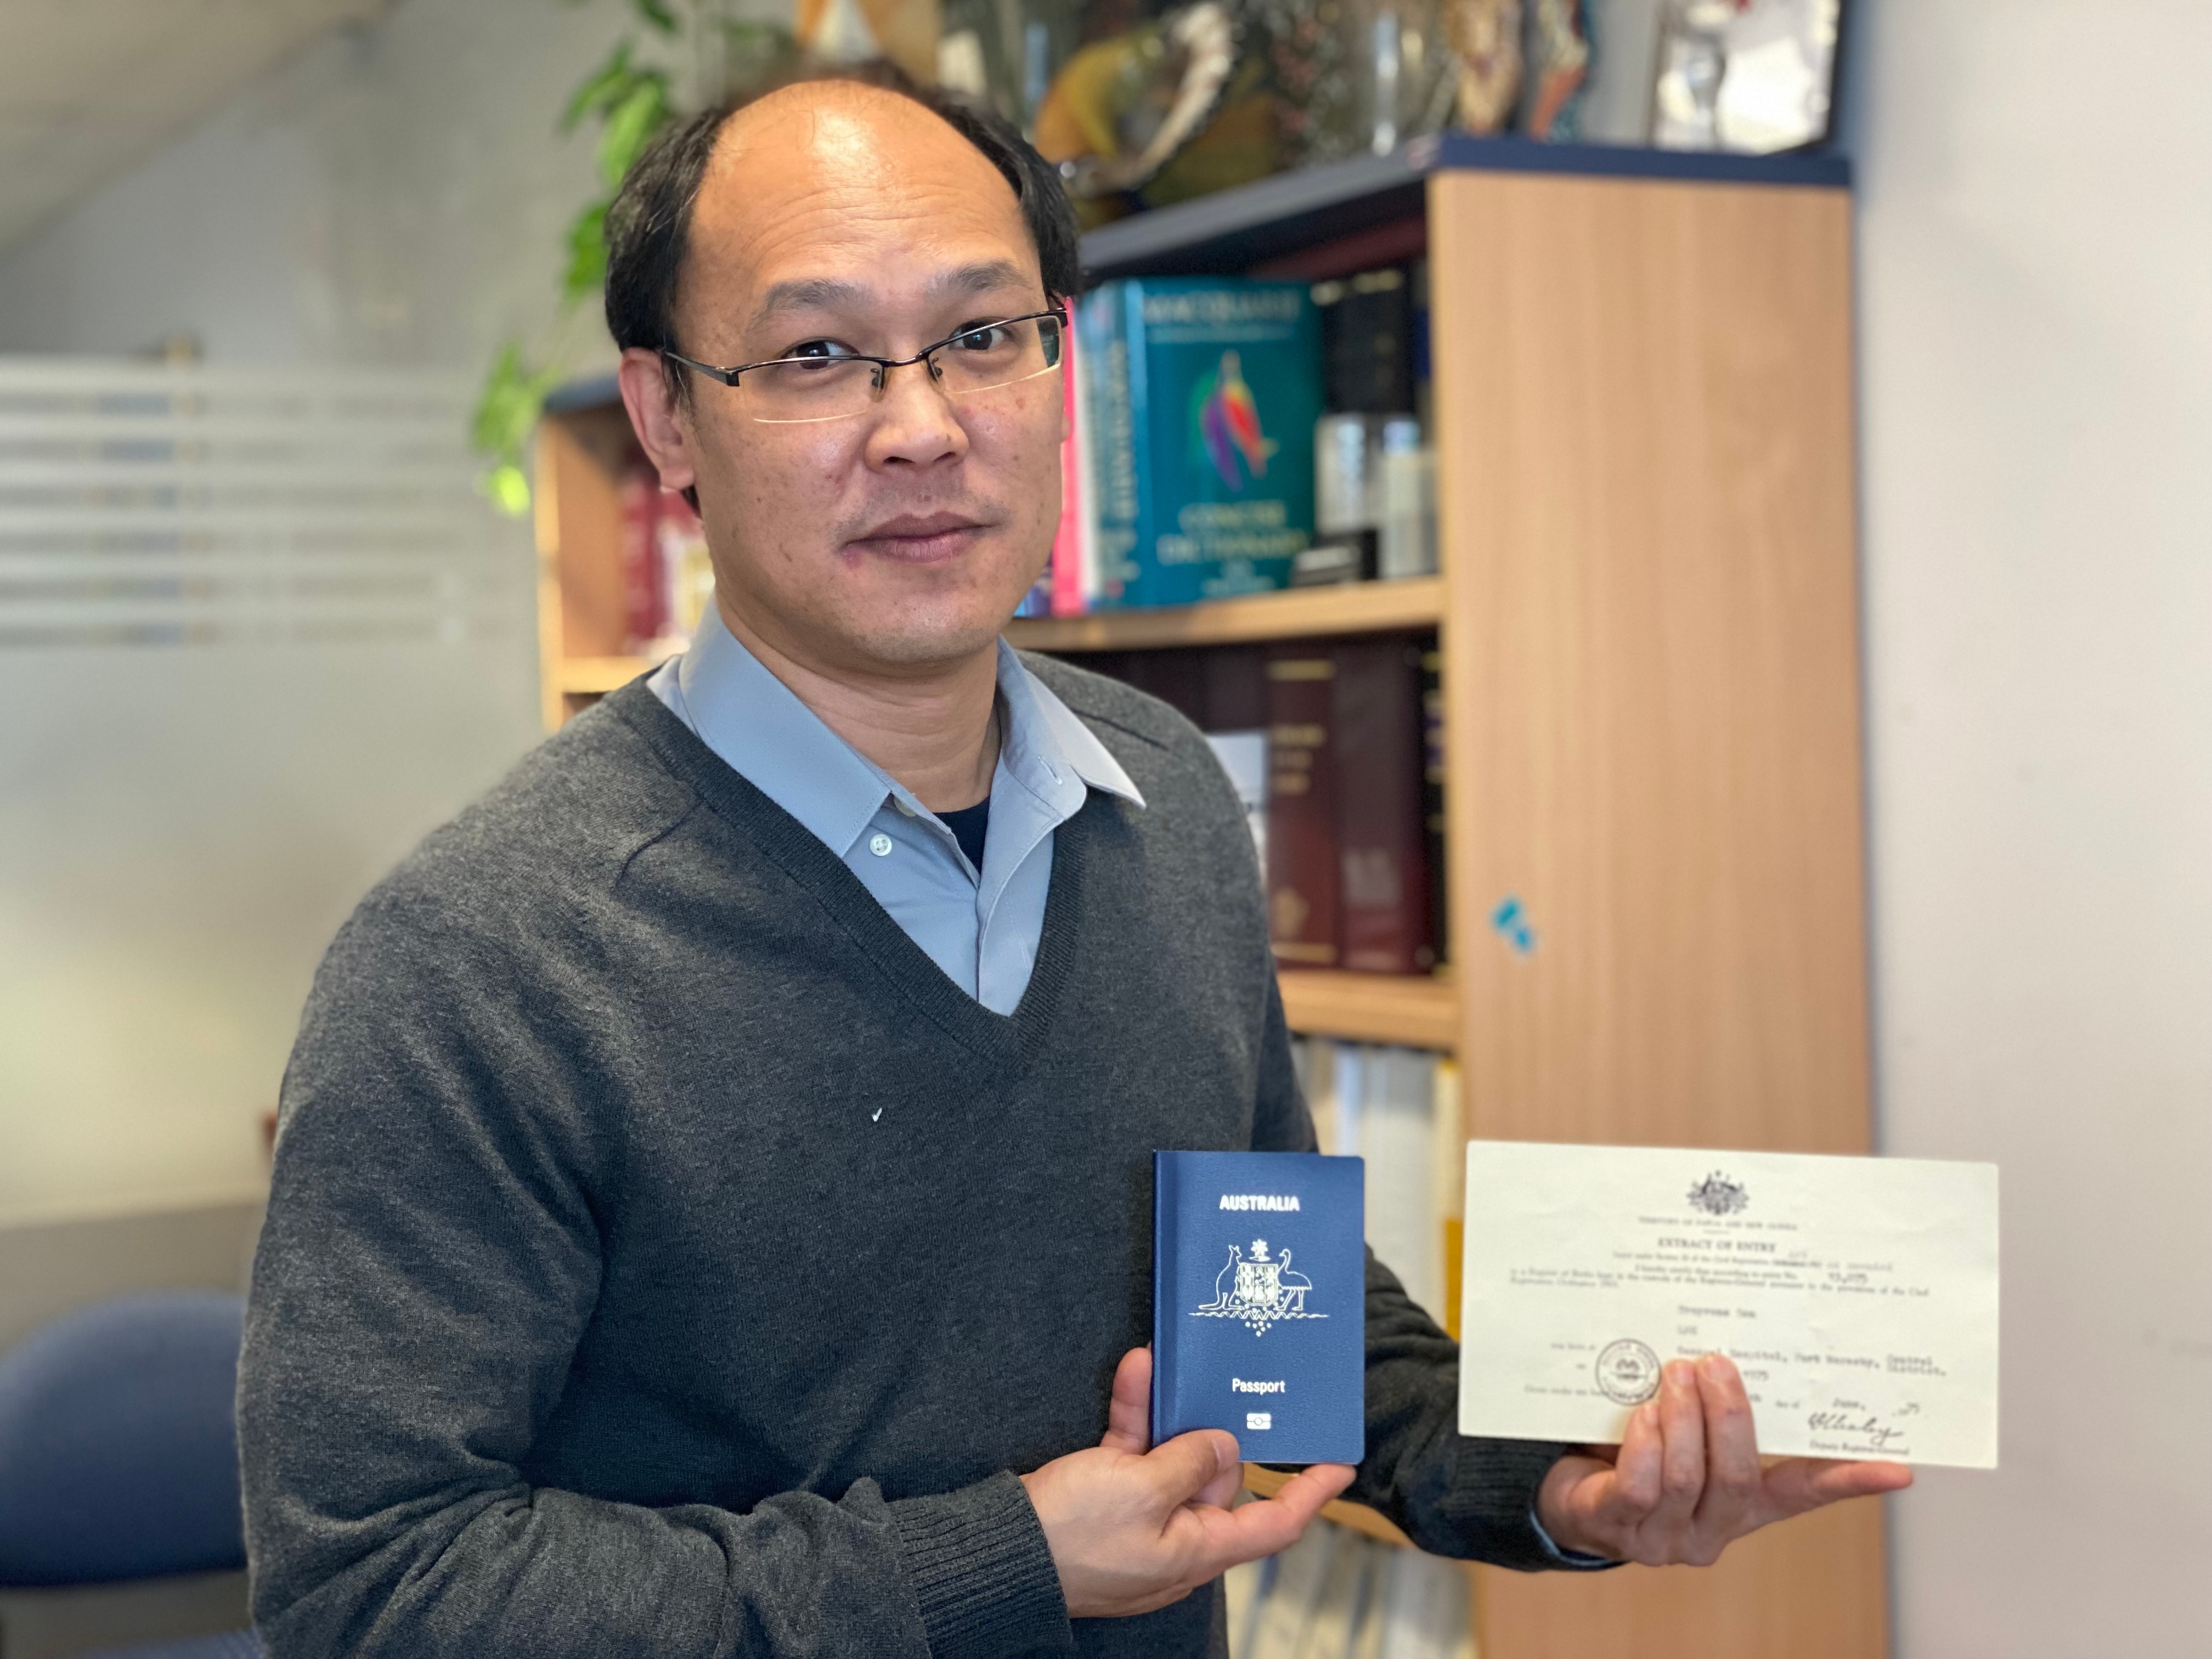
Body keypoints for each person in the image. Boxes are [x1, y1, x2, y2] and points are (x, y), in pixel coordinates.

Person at [237, 74, 1909, 1659]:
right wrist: (1007, 1561)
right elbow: (375, 1586)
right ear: (669, 418)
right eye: (819, 355)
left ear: (1059, 370)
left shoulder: (1163, 797)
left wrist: (1557, 1481)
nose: (921, 428)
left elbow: (1278, 1306)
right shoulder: (478, 958)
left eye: (982, 338)